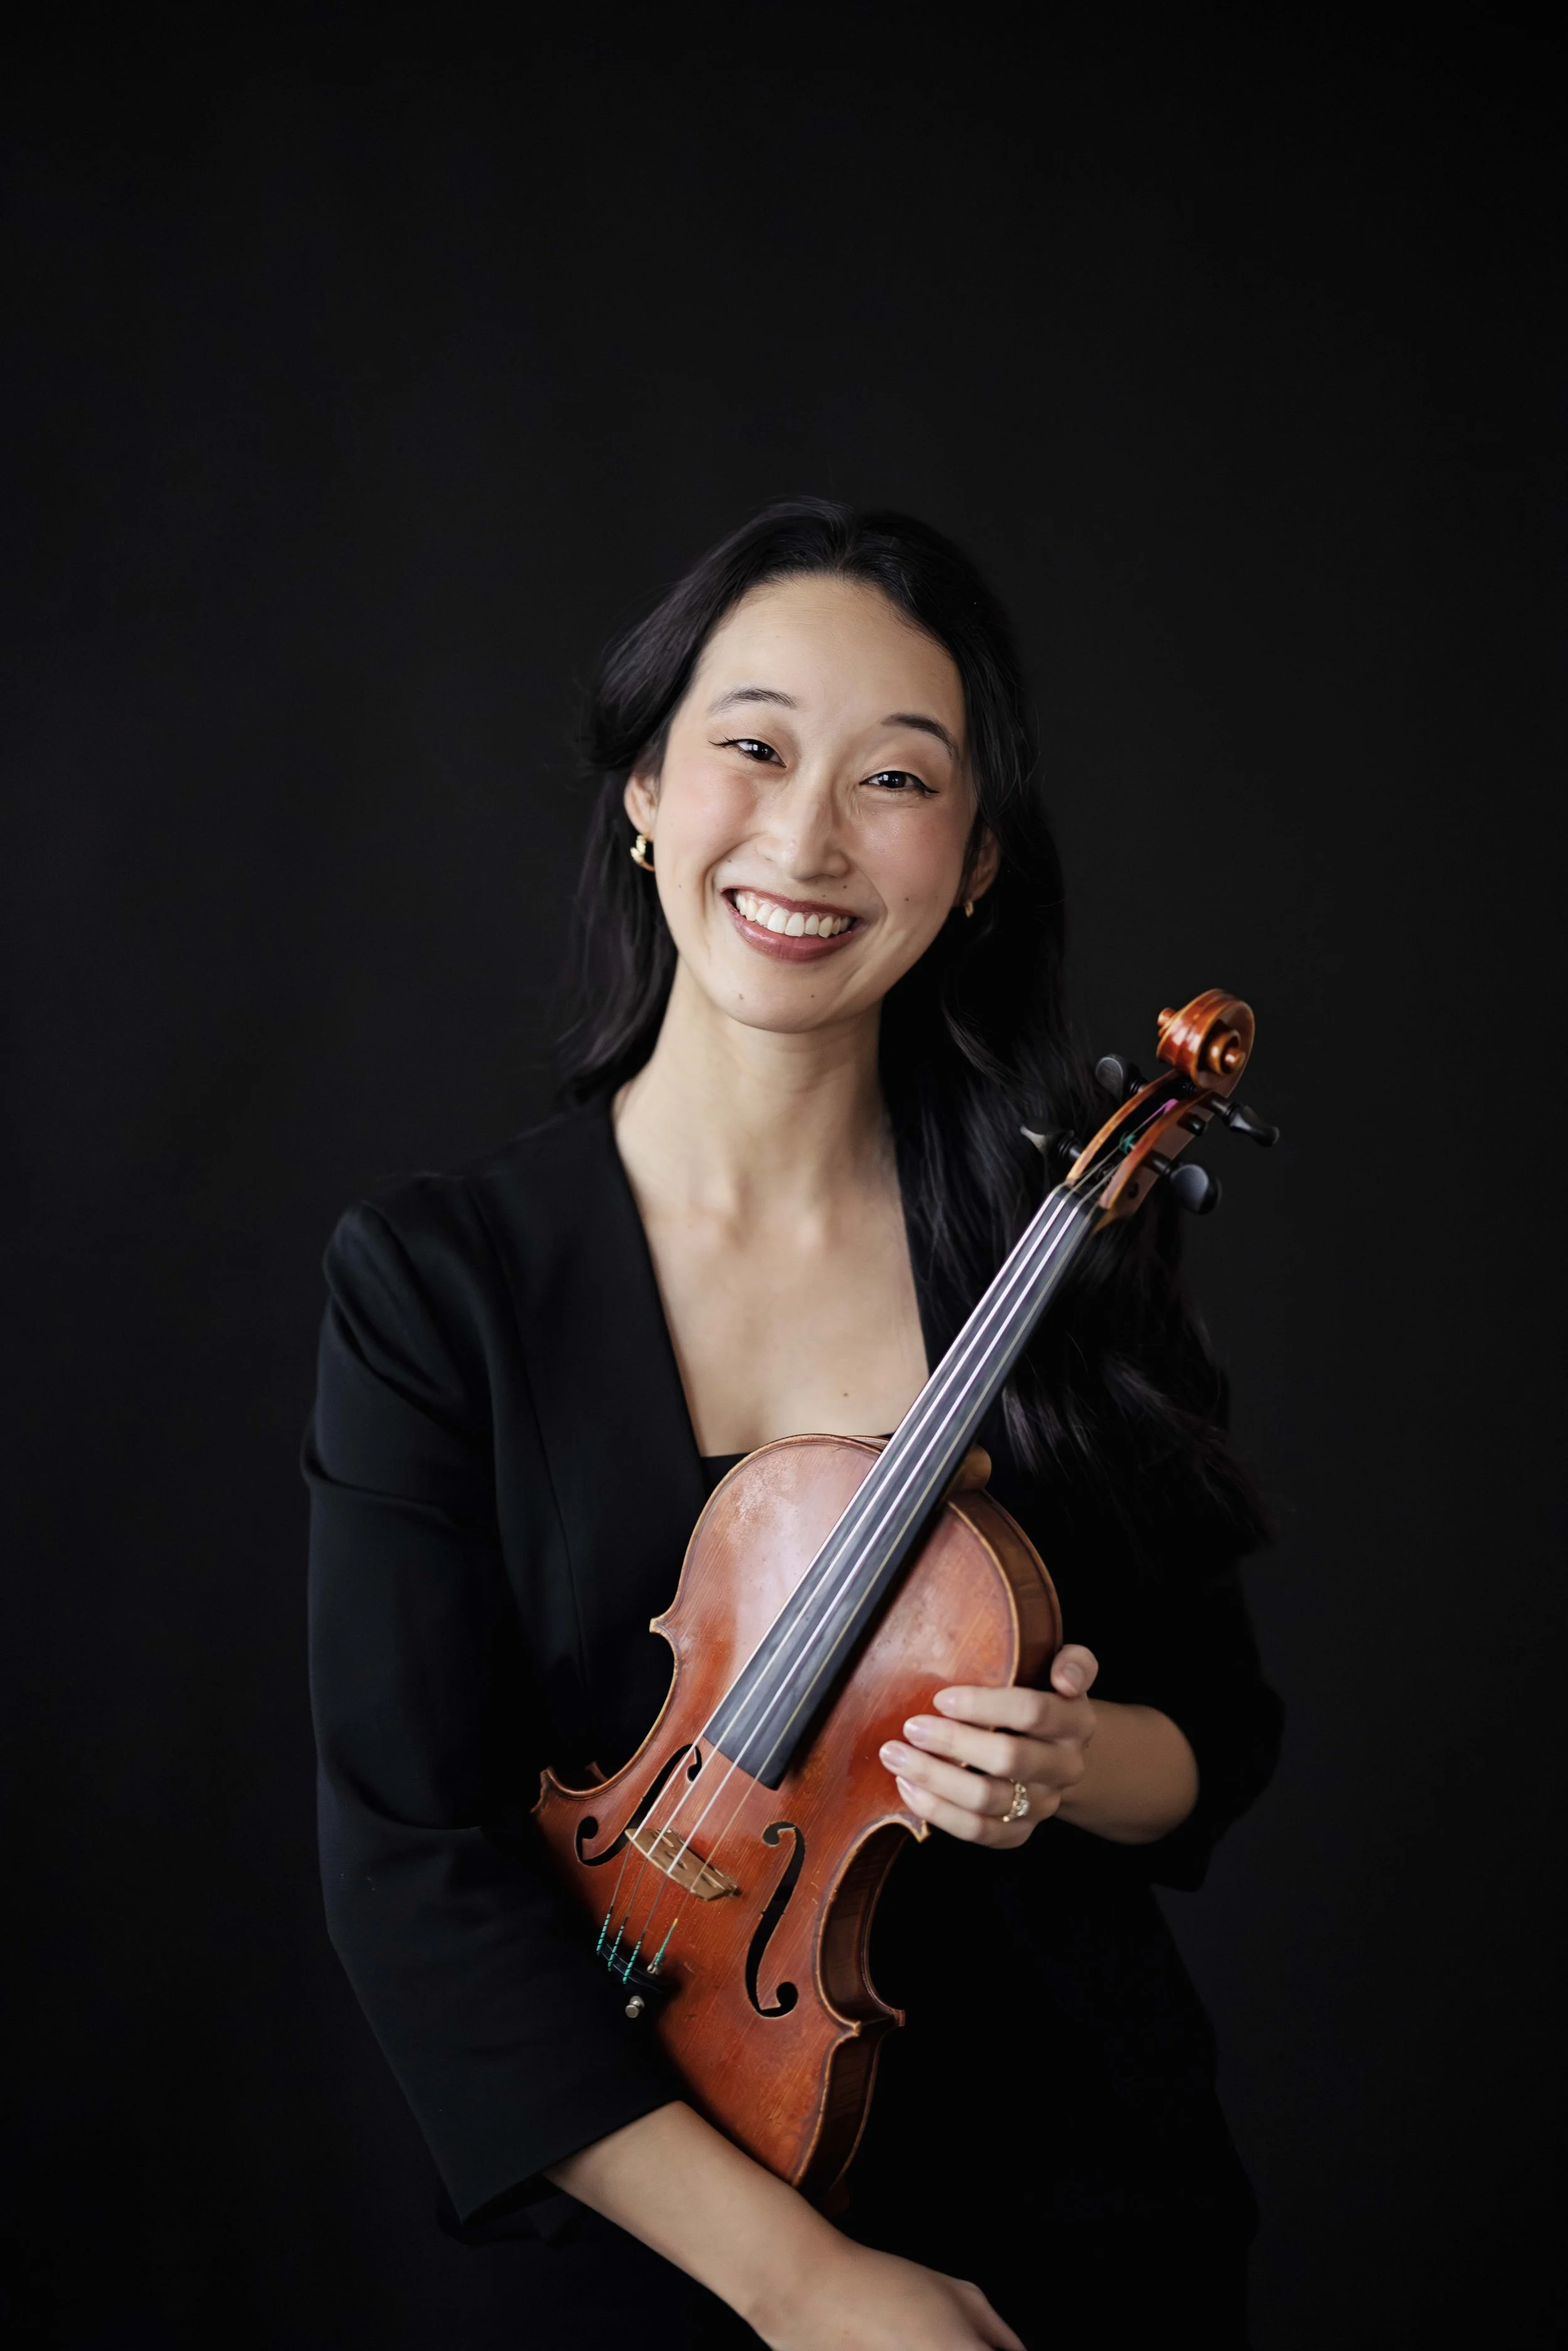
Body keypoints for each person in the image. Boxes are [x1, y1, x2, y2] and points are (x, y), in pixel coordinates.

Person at [305, 499, 1282, 2348]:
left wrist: (1068, 1767)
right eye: (751, 745)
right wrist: (813, 2288)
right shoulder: (440, 1281)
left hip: (1078, 2205)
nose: (807, 838)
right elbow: (408, 1861)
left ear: (978, 860)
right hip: (647, 2236)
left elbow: (1212, 1740)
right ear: (647, 789)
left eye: (896, 779)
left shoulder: (1058, 1233)